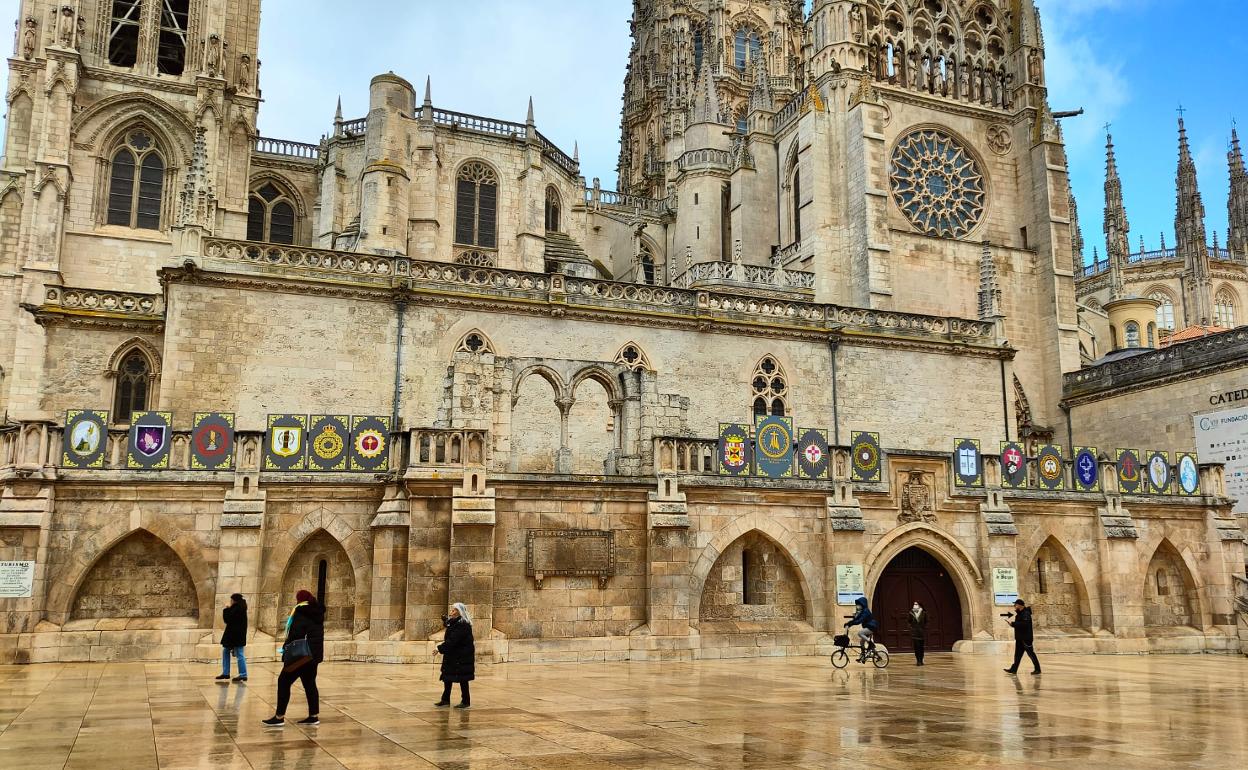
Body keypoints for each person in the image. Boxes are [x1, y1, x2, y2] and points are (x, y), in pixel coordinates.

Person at [262, 589, 325, 727]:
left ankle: (279, 717)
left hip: (301, 656)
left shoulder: (300, 611)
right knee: (309, 684)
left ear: (300, 599)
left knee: (283, 681)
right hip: (313, 656)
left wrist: (286, 648)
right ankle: (313, 716)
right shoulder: (317, 612)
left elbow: (295, 633)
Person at [434, 602, 475, 709]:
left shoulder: (463, 625)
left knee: (463, 679)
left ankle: (466, 701)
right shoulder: (455, 623)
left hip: (461, 657)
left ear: (459, 612)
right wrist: (445, 620)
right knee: (447, 677)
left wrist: (439, 648)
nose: (451, 612)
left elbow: (453, 640)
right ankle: (445, 699)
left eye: (453, 610)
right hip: (453, 656)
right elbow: (449, 625)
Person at [1004, 598, 1041, 675]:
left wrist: (1013, 624)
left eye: (1016, 604)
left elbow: (1024, 625)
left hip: (1025, 639)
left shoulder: (1026, 613)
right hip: (1020, 638)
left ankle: (1037, 669)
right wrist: (1012, 625)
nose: (1014, 606)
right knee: (1017, 655)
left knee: (1031, 654)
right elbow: (1020, 625)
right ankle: (1014, 669)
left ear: (1020, 605)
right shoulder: (1020, 613)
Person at [216, 593, 248, 682]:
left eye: (231, 600)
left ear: (234, 600)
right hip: (235, 636)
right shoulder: (240, 608)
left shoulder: (237, 609)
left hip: (235, 636)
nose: (230, 601)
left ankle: (243, 674)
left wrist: (227, 609)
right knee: (226, 651)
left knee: (239, 653)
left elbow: (227, 619)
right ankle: (226, 673)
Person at [844, 596, 879, 663]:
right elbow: (856, 619)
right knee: (861, 642)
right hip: (869, 627)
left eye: (859, 604)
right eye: (857, 605)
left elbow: (859, 621)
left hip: (871, 627)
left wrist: (850, 624)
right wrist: (848, 624)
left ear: (863, 604)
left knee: (860, 633)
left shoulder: (865, 611)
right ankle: (866, 655)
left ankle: (870, 643)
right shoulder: (862, 611)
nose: (857, 606)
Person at [907, 600, 928, 666]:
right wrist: (912, 628)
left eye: (917, 604)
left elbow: (927, 622)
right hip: (915, 633)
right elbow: (908, 622)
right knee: (916, 647)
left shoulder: (924, 613)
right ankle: (918, 660)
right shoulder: (911, 613)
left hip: (921, 633)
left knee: (921, 647)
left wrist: (924, 628)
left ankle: (921, 660)